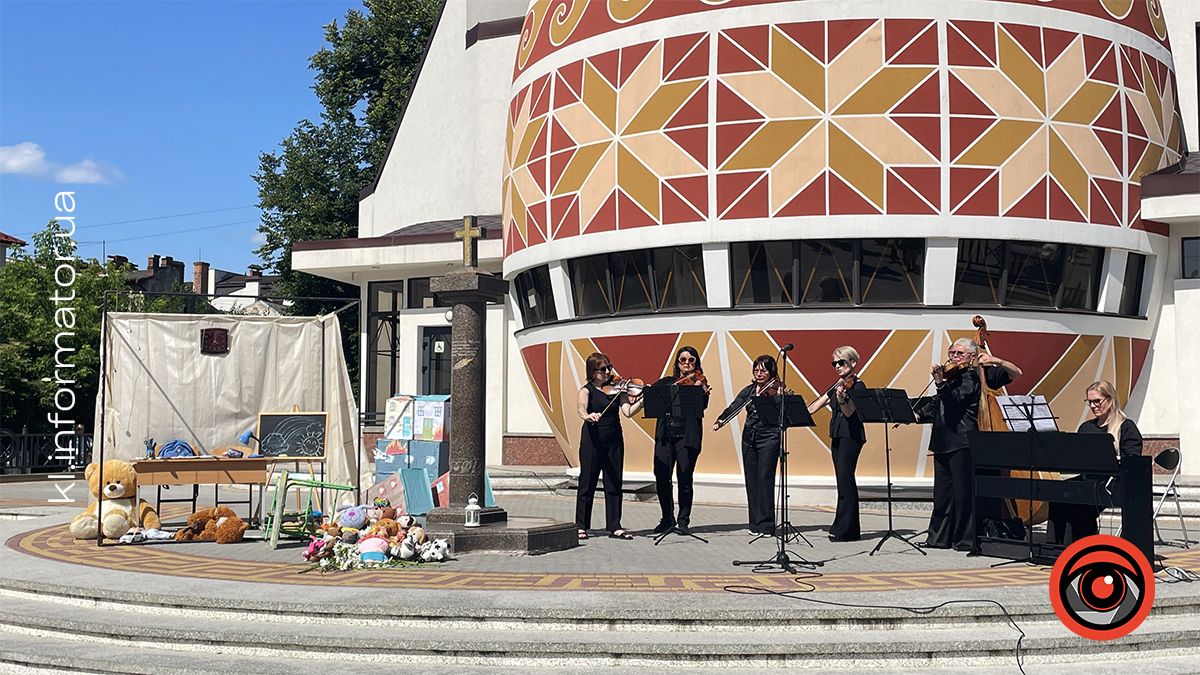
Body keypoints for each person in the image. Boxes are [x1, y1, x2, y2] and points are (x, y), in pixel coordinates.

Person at [923, 337, 1022, 551]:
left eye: (960, 353)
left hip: (962, 441)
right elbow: (938, 405)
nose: (954, 357)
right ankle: (938, 538)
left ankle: (963, 540)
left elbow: (955, 399)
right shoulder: (949, 377)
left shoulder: (974, 377)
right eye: (952, 353)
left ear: (971, 357)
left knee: (962, 494)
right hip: (942, 440)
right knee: (941, 494)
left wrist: (996, 360)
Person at [1047, 380, 1143, 545]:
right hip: (1088, 478)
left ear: (1110, 400)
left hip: (1113, 482)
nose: (1093, 406)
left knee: (1083, 500)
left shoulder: (1125, 426)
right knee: (1058, 494)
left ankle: (1084, 546)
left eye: (1097, 401)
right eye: (1089, 402)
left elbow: (1133, 459)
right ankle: (1057, 547)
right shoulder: (1086, 427)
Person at [575, 352, 641, 540]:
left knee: (614, 483)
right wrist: (588, 416)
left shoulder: (617, 390)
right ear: (593, 371)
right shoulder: (586, 390)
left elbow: (628, 412)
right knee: (587, 483)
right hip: (592, 441)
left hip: (614, 441)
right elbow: (581, 408)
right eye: (602, 369)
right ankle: (581, 525)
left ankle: (614, 525)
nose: (607, 372)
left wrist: (643, 401)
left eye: (608, 368)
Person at [713, 355, 782, 535]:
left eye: (763, 370)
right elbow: (736, 405)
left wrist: (777, 397)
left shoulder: (777, 390)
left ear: (771, 372)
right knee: (751, 480)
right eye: (756, 370)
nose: (759, 374)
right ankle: (755, 524)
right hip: (750, 436)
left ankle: (767, 525)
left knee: (765, 479)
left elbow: (781, 412)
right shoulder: (750, 390)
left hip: (769, 437)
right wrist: (721, 419)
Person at [807, 346, 866, 542]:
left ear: (853, 363)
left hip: (851, 436)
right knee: (842, 481)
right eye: (835, 363)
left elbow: (849, 412)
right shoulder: (837, 385)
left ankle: (846, 529)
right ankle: (846, 527)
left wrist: (841, 399)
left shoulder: (858, 386)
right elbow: (816, 405)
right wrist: (795, 408)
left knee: (846, 479)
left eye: (842, 362)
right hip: (838, 435)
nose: (838, 366)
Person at [651, 346, 710, 535]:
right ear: (677, 363)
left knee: (684, 476)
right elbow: (650, 394)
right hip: (665, 436)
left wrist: (701, 391)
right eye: (682, 360)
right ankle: (667, 518)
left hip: (687, 437)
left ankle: (683, 520)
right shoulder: (667, 382)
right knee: (662, 476)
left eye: (691, 360)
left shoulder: (699, 383)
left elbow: (703, 406)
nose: (686, 363)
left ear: (696, 363)